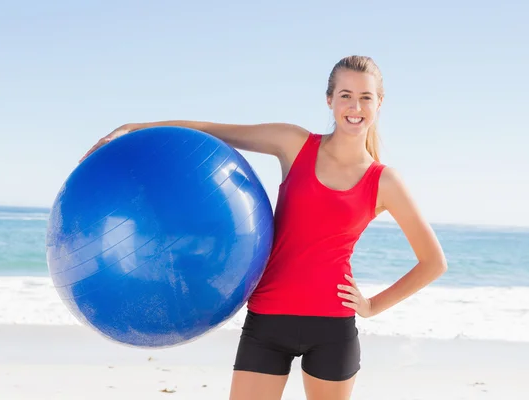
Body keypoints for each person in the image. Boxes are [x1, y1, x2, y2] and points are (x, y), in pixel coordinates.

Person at [80, 55, 447, 400]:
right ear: (329, 100)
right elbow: (212, 132)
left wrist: (371, 306)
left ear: (379, 102)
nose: (355, 107)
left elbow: (433, 262)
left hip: (332, 326)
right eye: (346, 95)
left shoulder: (383, 181)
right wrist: (134, 128)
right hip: (269, 317)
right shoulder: (294, 143)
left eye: (365, 97)